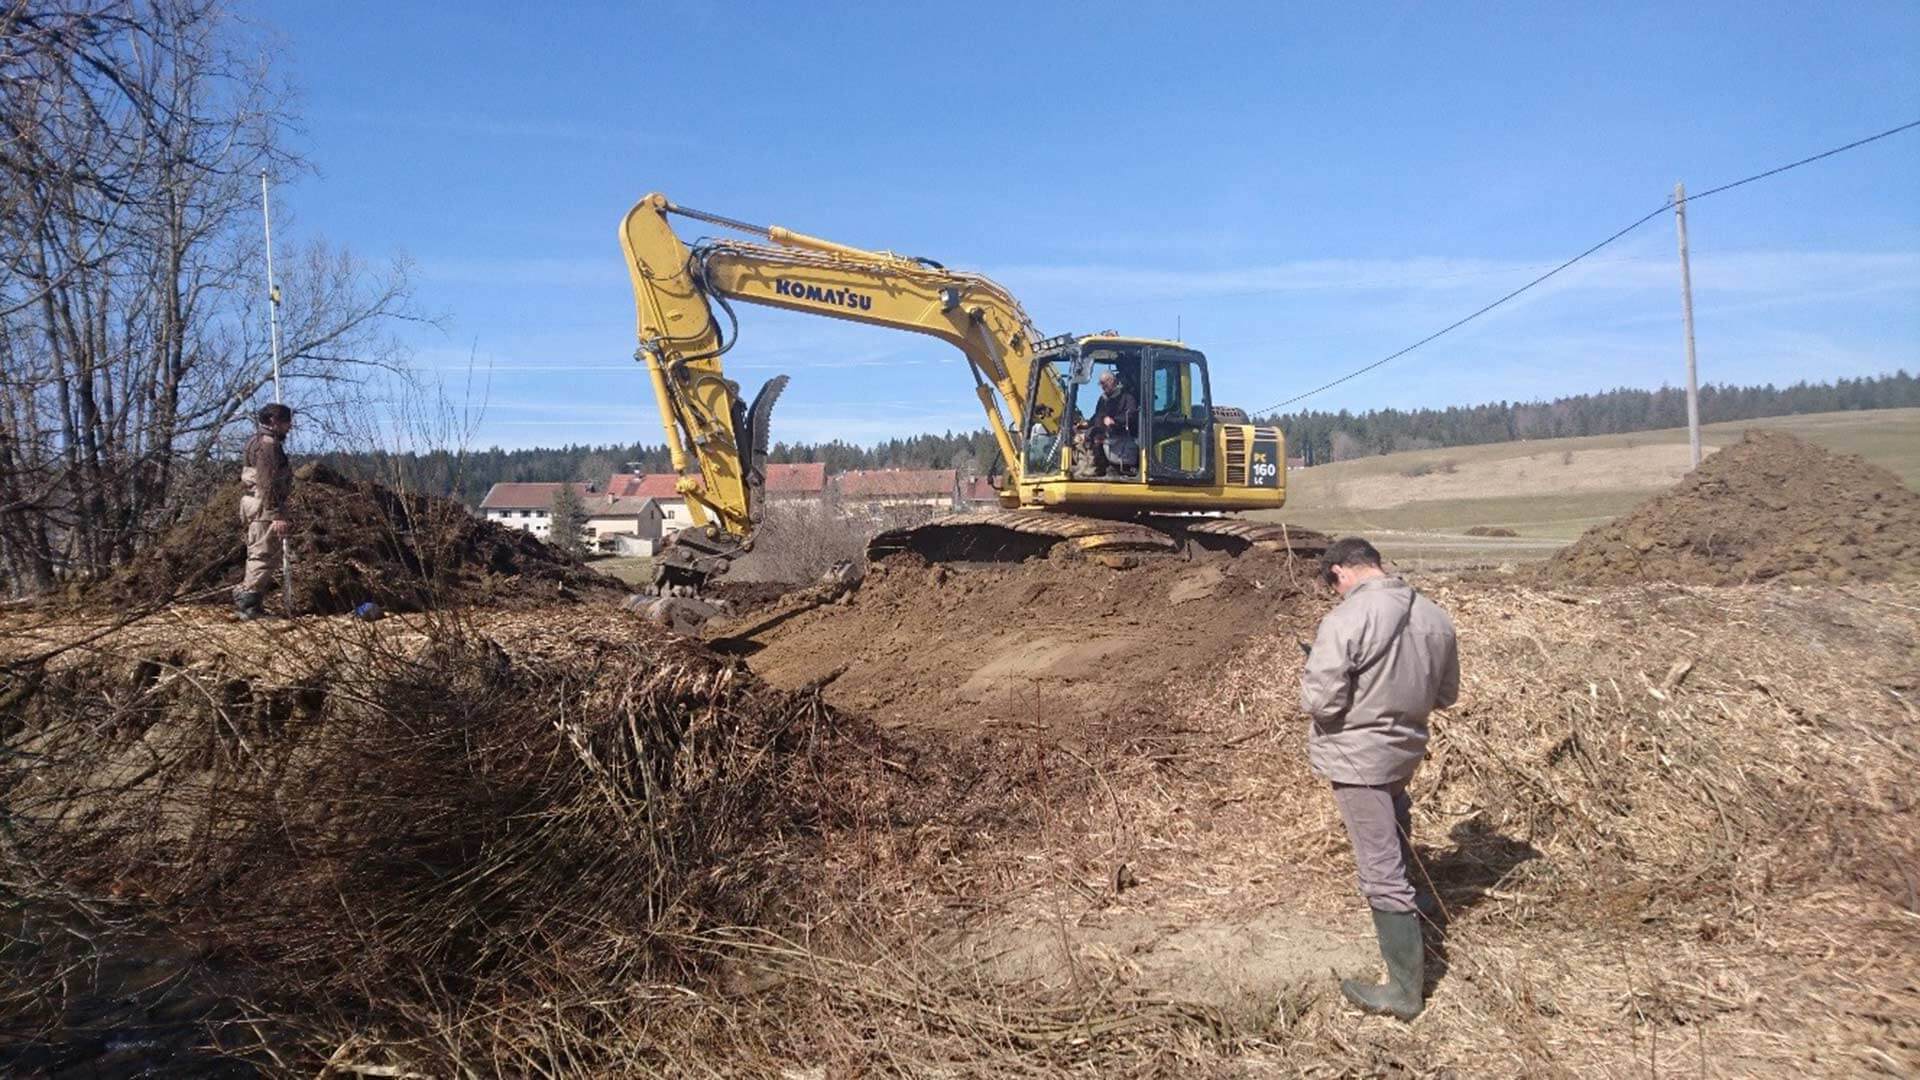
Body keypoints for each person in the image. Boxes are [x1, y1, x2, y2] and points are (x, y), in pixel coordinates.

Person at [1300, 537, 1459, 1021]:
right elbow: (1447, 695)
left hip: (1358, 758)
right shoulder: (1434, 615)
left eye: (1334, 586)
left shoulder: (1346, 619)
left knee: (1379, 866)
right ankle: (1417, 904)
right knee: (1395, 821)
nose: (1336, 593)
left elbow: (1321, 703)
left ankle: (1405, 992)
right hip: (1405, 749)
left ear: (1339, 573)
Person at [233, 403, 295, 619]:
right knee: (263, 554)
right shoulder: (269, 446)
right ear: (274, 421)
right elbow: (268, 482)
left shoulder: (254, 441)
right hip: (264, 507)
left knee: (259, 552)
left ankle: (249, 602)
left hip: (255, 504)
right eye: (287, 421)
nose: (290, 426)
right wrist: (277, 514)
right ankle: (248, 605)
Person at [1086, 371, 1138, 476]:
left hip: (1121, 436)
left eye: (1104, 383)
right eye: (1100, 384)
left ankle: (1108, 467)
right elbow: (1097, 415)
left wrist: (1114, 421)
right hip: (1103, 434)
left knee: (1103, 441)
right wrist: (1086, 424)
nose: (1102, 387)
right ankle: (1093, 468)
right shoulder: (1102, 399)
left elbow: (1131, 415)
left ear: (1112, 381)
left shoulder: (1127, 398)